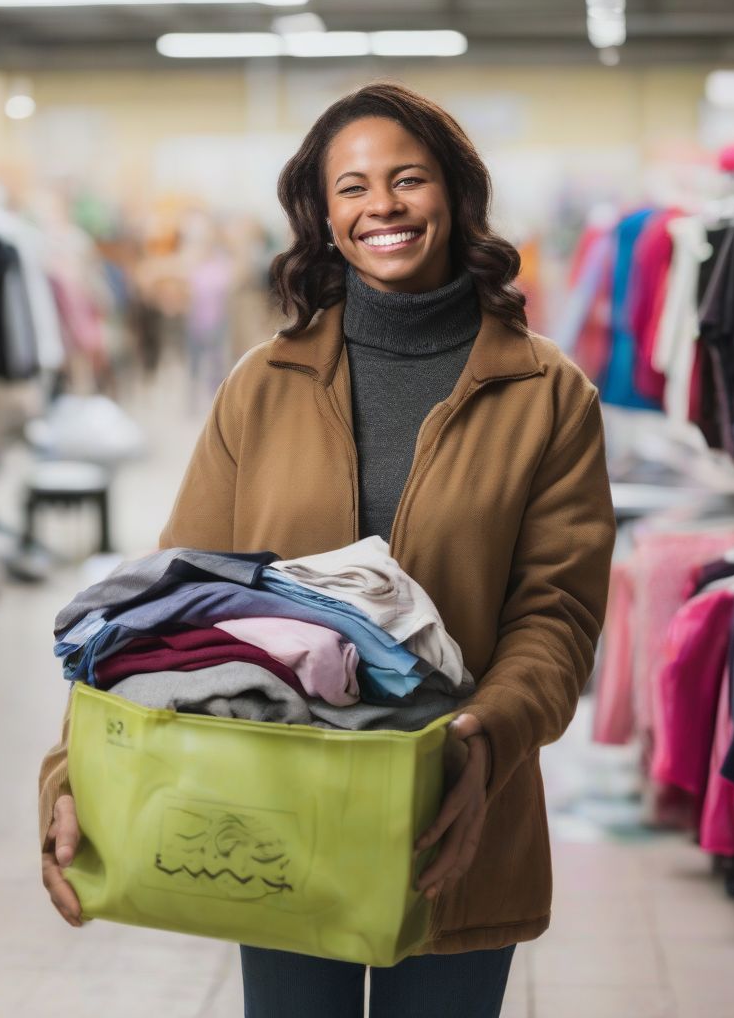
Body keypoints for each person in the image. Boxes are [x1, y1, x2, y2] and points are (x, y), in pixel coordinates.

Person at [40, 82, 616, 1018]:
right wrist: (71, 775)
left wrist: (486, 740)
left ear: (457, 196)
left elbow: (558, 613)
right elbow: (166, 611)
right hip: (276, 807)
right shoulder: (261, 386)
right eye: (350, 188)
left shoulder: (548, 396)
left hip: (457, 817)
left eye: (406, 180)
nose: (380, 206)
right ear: (322, 214)